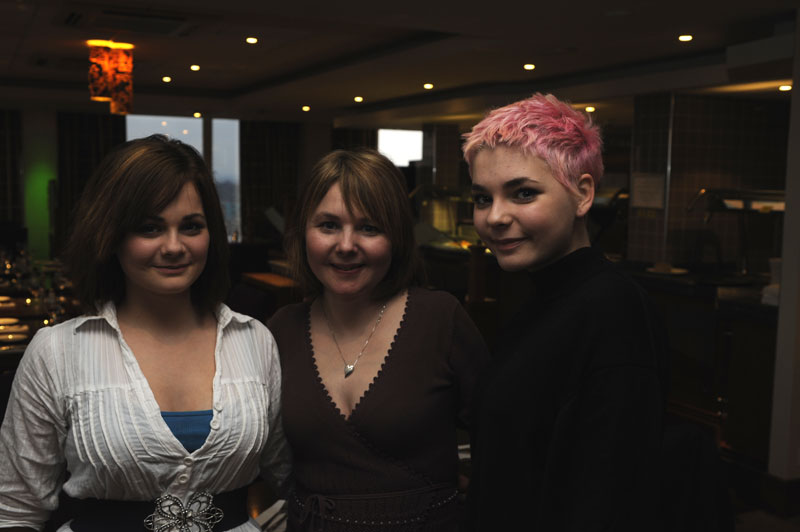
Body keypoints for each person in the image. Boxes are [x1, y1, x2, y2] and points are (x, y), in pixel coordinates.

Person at [0, 135, 291, 531]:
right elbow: (16, 510)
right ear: (110, 235)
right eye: (150, 228)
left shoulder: (254, 340)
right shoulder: (56, 351)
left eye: (191, 226)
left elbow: (290, 477)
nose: (173, 246)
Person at [462, 93, 668, 531]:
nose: (494, 217)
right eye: (482, 198)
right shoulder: (543, 297)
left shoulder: (613, 312)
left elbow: (608, 496)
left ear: (582, 195)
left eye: (523, 193)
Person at [267, 148, 489, 531]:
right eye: (328, 225)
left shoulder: (440, 319)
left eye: (369, 228)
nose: (346, 245)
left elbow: (505, 441)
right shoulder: (280, 330)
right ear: (303, 232)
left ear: (396, 237)